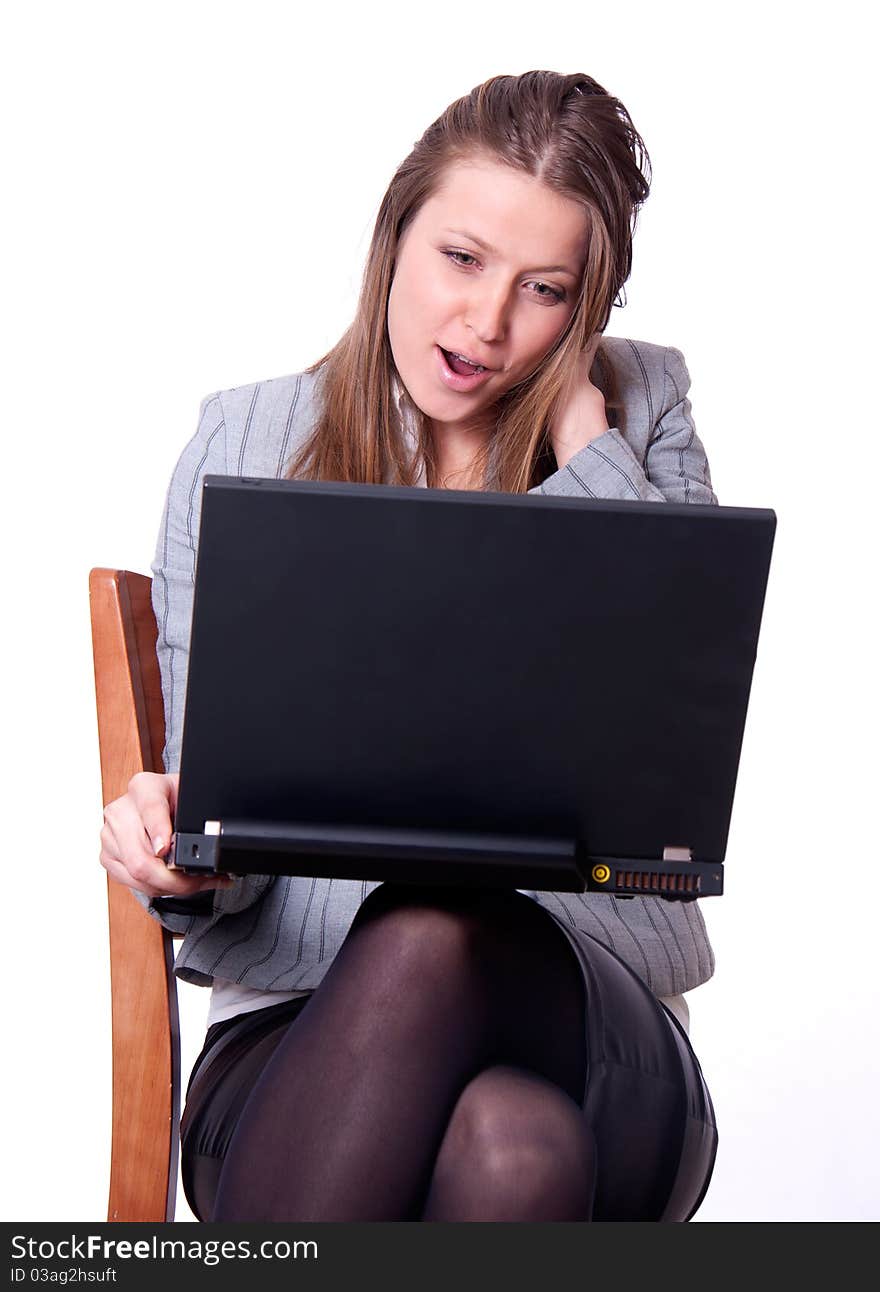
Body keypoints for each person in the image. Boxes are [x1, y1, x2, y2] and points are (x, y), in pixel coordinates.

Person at [99, 70, 719, 1222]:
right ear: (395, 236)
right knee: (508, 1149)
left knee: (438, 921)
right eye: (462, 259)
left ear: (589, 312)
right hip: (301, 1050)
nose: (486, 324)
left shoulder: (644, 415)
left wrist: (588, 448)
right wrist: (179, 853)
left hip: (596, 1039)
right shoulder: (245, 439)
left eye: (545, 290)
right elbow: (218, 840)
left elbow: (657, 783)